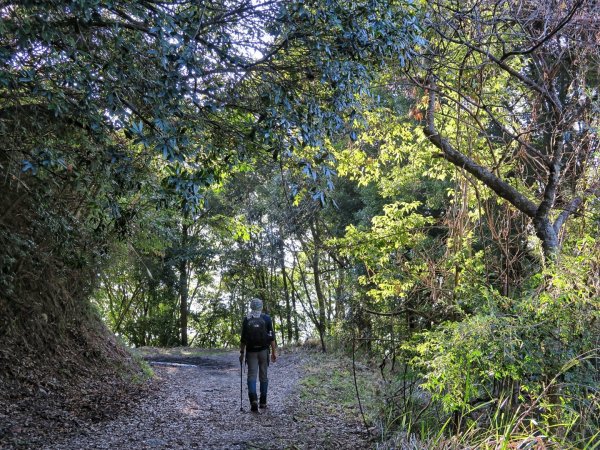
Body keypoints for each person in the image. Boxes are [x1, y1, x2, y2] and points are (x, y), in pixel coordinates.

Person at [239, 298, 277, 412]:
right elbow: (272, 338)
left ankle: (253, 400)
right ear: (261, 306)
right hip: (264, 351)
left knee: (251, 376)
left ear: (251, 307)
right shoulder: (266, 318)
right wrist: (274, 352)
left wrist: (242, 353)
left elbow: (243, 339)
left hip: (251, 352)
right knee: (263, 376)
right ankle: (263, 402)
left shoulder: (247, 319)